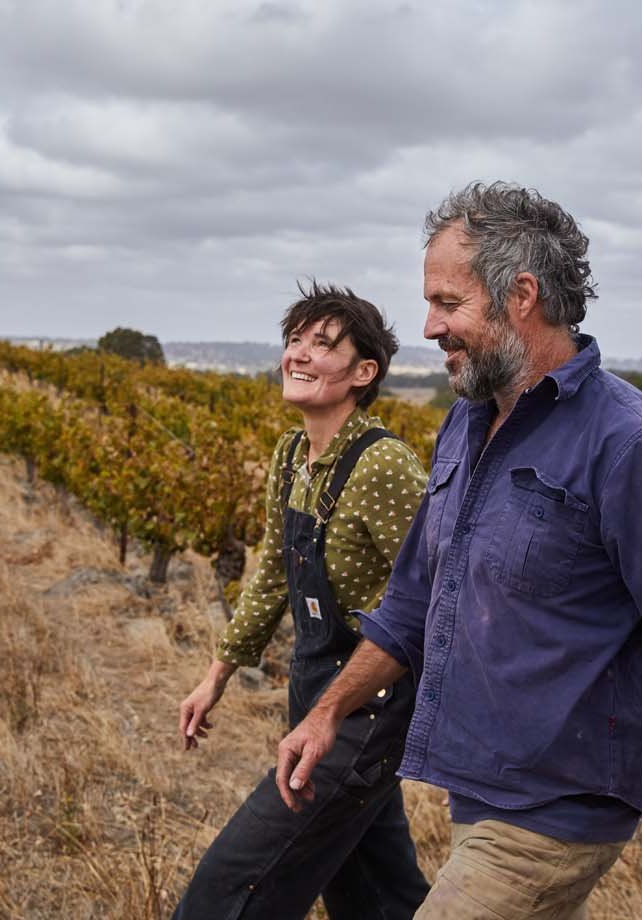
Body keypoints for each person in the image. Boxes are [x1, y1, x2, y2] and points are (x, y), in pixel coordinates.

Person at [276, 183, 642, 920]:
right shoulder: (466, 425)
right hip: (481, 794)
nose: (430, 325)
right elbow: (412, 601)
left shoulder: (635, 450)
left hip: (557, 809)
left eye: (448, 303)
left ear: (521, 296)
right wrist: (328, 712)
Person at [173, 282, 432, 919]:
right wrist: (218, 674)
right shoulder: (292, 456)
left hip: (368, 708)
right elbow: (270, 573)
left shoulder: (385, 466)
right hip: (312, 689)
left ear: (363, 372)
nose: (300, 354)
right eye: (295, 341)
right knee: (374, 894)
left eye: (323, 344)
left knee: (232, 888)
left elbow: (435, 596)